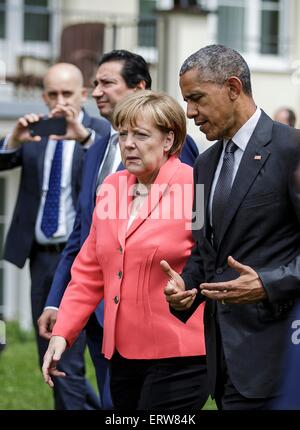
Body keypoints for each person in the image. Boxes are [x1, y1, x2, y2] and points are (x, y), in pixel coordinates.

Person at [37, 49, 200, 409]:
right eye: (123, 134)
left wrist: (191, 287)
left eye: (140, 135)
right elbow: (89, 271)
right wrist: (64, 333)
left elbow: (210, 258)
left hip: (180, 352)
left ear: (169, 140)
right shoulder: (111, 186)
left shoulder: (195, 187)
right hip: (121, 353)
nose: (128, 144)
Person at [161, 44, 300, 410]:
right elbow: (203, 250)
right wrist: (186, 287)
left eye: (196, 99)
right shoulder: (204, 166)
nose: (189, 113)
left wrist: (268, 284)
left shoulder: (292, 150)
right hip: (224, 366)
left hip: (282, 360)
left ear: (233, 88)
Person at [0, 62, 110, 410]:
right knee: (51, 358)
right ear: (44, 95)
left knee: (71, 361)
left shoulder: (99, 133)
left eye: (68, 93)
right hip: (43, 257)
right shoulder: (35, 132)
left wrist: (84, 138)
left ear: (82, 93)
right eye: (53, 93)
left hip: (86, 259)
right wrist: (13, 139)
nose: (60, 101)